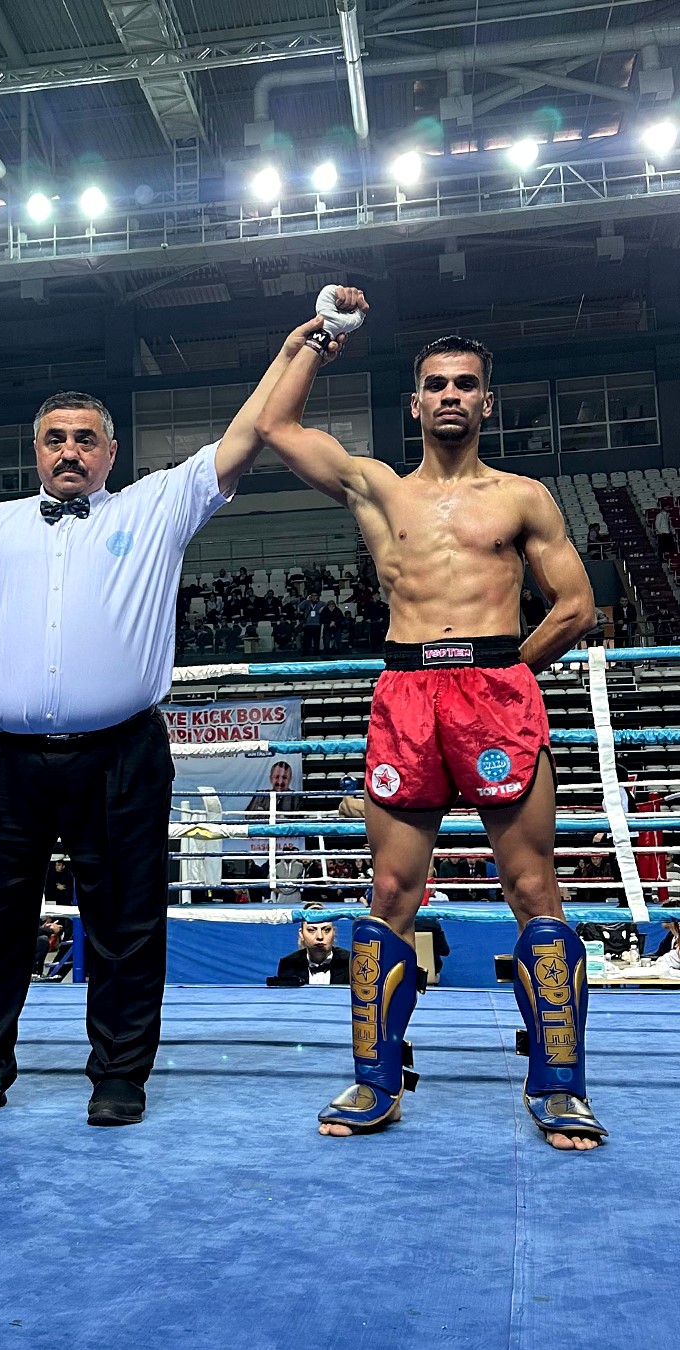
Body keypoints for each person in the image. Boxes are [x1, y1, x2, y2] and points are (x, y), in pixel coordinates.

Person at [0, 321, 352, 1129]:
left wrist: (297, 347)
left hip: (121, 754)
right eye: (55, 439)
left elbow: (244, 436)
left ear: (110, 451)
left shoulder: (158, 506)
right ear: (36, 449)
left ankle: (120, 1075)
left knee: (127, 923)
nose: (70, 451)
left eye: (85, 440)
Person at [257, 310, 605, 1149]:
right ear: (414, 403)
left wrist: (505, 674)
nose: (451, 396)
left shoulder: (522, 496)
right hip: (407, 691)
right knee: (389, 895)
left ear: (488, 402)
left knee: (533, 890)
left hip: (493, 687)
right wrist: (314, 339)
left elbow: (578, 605)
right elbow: (274, 425)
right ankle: (377, 1083)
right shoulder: (379, 486)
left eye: (466, 385)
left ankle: (559, 1086)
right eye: (436, 385)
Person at [276, 906, 351, 985]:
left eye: (326, 930)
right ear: (301, 934)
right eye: (311, 930)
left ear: (334, 932)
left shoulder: (351, 962)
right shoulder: (288, 964)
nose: (320, 937)